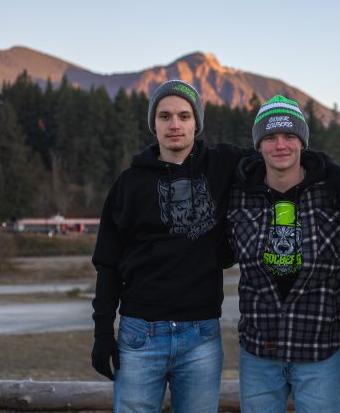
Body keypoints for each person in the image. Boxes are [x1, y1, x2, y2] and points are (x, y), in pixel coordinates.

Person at [90, 80, 252, 412]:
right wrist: (102, 332)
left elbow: (279, 153)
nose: (174, 124)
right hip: (140, 334)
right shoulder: (129, 184)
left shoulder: (222, 164)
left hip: (201, 336)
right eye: (165, 116)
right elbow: (107, 263)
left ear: (196, 123)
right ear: (154, 124)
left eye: (184, 116)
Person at [226, 95, 340, 412]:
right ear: (258, 145)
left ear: (302, 142)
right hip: (259, 352)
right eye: (270, 137)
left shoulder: (335, 192)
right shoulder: (239, 195)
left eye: (289, 136)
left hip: (319, 351)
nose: (280, 145)